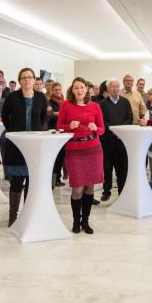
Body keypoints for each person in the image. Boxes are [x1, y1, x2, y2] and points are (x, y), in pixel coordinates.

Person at [1, 68, 49, 227]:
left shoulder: (41, 97)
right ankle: (13, 216)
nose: (27, 80)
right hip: (17, 144)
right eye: (24, 78)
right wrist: (14, 131)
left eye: (30, 77)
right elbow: (5, 117)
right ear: (20, 80)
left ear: (34, 80)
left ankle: (28, 213)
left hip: (34, 144)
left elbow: (43, 118)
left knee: (31, 180)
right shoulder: (12, 97)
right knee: (16, 180)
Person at [57, 78, 104, 234]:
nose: (79, 90)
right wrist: (68, 126)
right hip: (74, 149)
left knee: (90, 187)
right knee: (77, 189)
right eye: (76, 88)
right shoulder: (66, 105)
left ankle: (86, 221)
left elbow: (102, 130)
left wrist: (95, 127)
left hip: (93, 149)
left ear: (87, 89)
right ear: (72, 90)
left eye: (82, 87)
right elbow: (59, 127)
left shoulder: (95, 106)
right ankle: (76, 221)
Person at [98, 78, 132, 201]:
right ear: (108, 89)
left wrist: (121, 131)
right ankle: (106, 191)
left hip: (122, 141)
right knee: (107, 167)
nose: (115, 88)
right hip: (107, 140)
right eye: (112, 86)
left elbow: (129, 118)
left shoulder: (125, 102)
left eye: (117, 86)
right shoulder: (102, 104)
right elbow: (102, 121)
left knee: (122, 168)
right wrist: (114, 131)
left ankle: (122, 192)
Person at [48, 82, 66, 187]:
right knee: (54, 157)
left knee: (61, 157)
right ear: (52, 91)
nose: (58, 92)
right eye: (56, 90)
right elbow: (49, 115)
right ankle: (53, 181)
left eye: (60, 89)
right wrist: (59, 114)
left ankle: (58, 178)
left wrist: (58, 114)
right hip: (53, 131)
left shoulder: (64, 102)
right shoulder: (49, 102)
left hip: (63, 132)